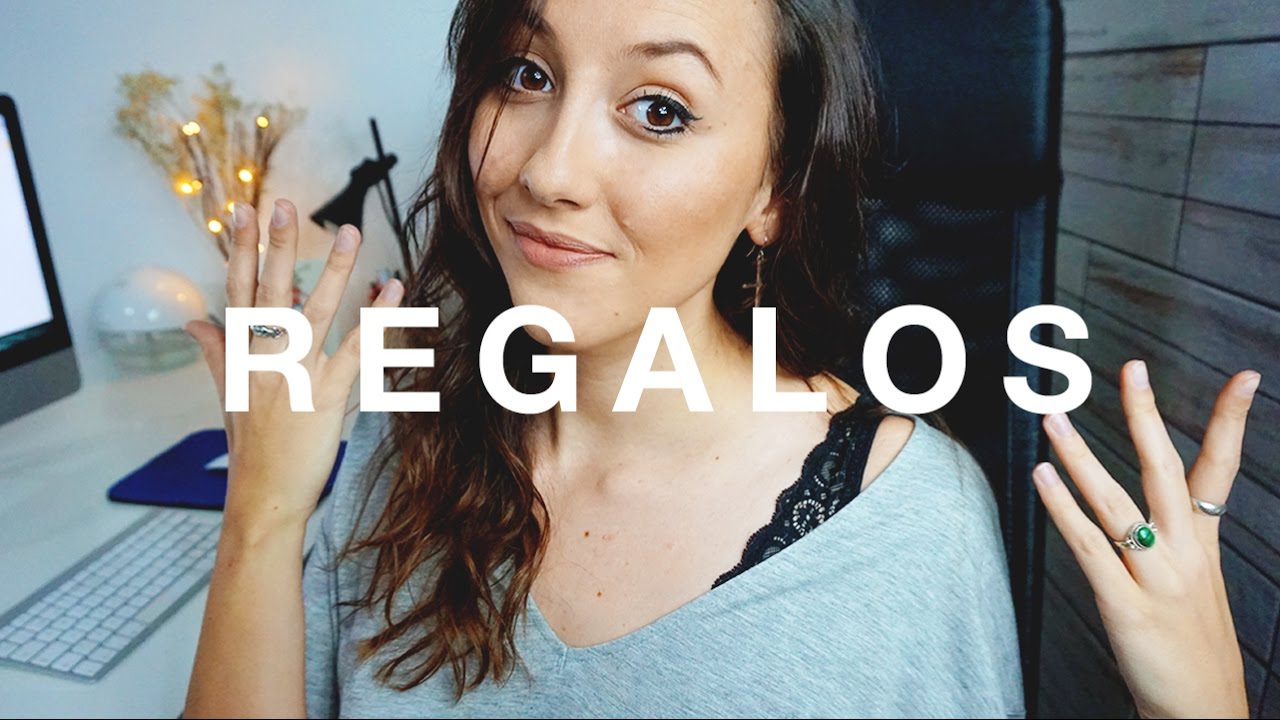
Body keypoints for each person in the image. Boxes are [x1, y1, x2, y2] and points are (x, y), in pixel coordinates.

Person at [181, 0, 1255, 717]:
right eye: (525, 72)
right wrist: (263, 514)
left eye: (659, 110)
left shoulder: (911, 531)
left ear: (774, 193)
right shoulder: (394, 435)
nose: (548, 172)